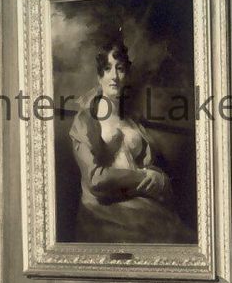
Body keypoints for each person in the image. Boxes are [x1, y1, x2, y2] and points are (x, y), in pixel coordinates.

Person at [64, 35, 190, 243]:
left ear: (127, 75)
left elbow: (149, 165)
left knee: (183, 237)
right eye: (107, 69)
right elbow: (95, 180)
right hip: (105, 211)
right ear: (99, 77)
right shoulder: (86, 120)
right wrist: (142, 177)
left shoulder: (132, 121)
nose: (114, 76)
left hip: (141, 205)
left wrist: (159, 177)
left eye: (120, 68)